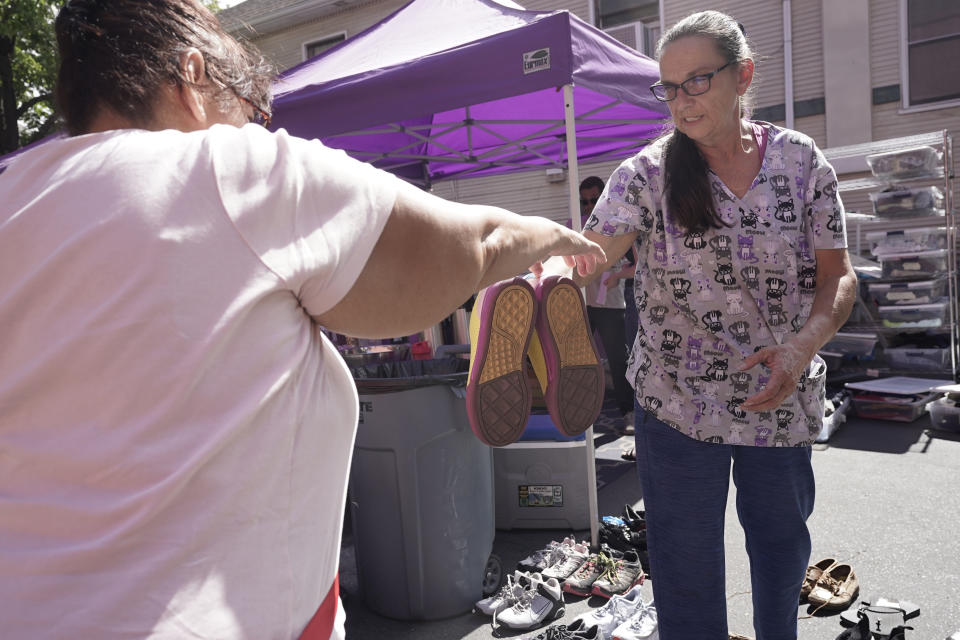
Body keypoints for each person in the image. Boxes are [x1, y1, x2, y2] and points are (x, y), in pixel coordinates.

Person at [0, 1, 605, 638]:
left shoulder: (14, 197)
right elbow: (468, 247)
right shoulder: (225, 169)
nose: (258, 125)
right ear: (192, 77)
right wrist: (547, 236)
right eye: (254, 107)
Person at [535, 10, 857, 640]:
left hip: (780, 395)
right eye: (669, 87)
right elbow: (591, 252)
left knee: (782, 554)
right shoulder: (647, 174)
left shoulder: (800, 162)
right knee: (685, 568)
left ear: (744, 75)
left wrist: (800, 348)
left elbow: (838, 278)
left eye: (697, 82)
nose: (681, 101)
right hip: (677, 402)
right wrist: (544, 271)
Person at [580, 176, 635, 428]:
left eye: (593, 200)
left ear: (603, 197)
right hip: (586, 304)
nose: (589, 206)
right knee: (577, 356)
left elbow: (636, 267)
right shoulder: (581, 228)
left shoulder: (619, 227)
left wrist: (616, 276)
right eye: (584, 202)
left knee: (617, 359)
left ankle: (628, 411)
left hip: (612, 307)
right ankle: (578, 409)